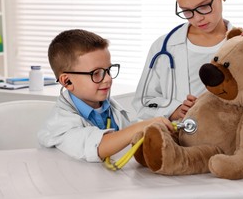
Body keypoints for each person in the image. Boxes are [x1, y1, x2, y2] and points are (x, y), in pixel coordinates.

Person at [38, 29, 173, 162]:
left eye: (108, 70)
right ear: (67, 81)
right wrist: (141, 126)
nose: (108, 78)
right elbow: (97, 146)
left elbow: (126, 138)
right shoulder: (59, 124)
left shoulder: (109, 107)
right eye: (96, 73)